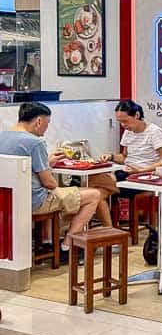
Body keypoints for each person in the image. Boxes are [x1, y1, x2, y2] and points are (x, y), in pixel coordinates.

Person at [0, 102, 109, 259]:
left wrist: (47, 163)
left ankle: (47, 241)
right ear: (38, 121)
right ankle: (68, 244)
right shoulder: (35, 142)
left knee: (71, 195)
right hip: (34, 201)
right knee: (94, 195)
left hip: (7, 200)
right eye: (47, 123)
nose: (47, 128)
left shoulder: (2, 136)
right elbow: (49, 183)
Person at [102, 100, 162, 175]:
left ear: (137, 115)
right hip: (128, 171)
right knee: (97, 177)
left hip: (145, 174)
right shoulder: (128, 132)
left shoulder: (154, 131)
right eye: (120, 122)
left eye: (125, 121)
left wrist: (140, 171)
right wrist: (111, 157)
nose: (123, 125)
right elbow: (125, 157)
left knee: (105, 181)